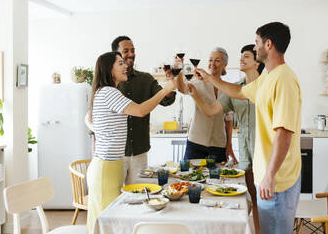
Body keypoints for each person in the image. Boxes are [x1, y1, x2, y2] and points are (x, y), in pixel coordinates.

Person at [195, 22, 301, 234]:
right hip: (267, 178)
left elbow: (284, 133)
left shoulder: (284, 79)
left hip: (278, 181)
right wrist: (210, 79)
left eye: (256, 43)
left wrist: (270, 175)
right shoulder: (268, 78)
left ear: (268, 44)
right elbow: (238, 91)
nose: (254, 48)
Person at [86, 51, 176, 233]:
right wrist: (165, 90)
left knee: (109, 222)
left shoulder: (106, 92)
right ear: (108, 69)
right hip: (106, 169)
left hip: (110, 165)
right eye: (120, 63)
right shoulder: (109, 92)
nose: (125, 66)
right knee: (107, 224)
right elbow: (141, 110)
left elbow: (90, 118)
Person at [188, 44, 264, 233]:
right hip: (246, 150)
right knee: (252, 198)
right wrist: (195, 94)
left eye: (246, 56)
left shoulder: (267, 85)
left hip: (263, 149)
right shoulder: (235, 88)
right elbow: (210, 110)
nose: (241, 58)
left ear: (257, 62)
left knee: (265, 200)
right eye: (241, 55)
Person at [111, 36, 176, 185]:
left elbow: (167, 99)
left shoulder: (145, 79)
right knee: (115, 197)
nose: (131, 54)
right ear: (115, 54)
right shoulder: (109, 83)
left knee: (138, 194)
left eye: (133, 50)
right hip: (116, 153)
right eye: (126, 50)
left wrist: (171, 83)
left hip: (139, 151)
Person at [176, 47, 237, 163]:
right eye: (210, 60)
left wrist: (229, 145)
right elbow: (181, 88)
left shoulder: (227, 88)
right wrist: (179, 69)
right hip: (196, 142)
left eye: (217, 60)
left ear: (225, 64)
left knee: (217, 179)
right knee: (189, 177)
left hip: (218, 144)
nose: (212, 63)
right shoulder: (197, 82)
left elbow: (228, 120)